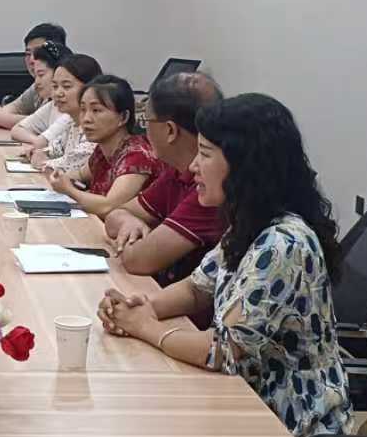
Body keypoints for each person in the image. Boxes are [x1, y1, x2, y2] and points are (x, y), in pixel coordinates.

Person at [98, 93, 361, 437]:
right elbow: (196, 289)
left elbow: (223, 351)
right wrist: (138, 306)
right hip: (245, 410)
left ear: (244, 164)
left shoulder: (282, 244)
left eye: (205, 154)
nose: (193, 167)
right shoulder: (249, 224)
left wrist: (147, 327)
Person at [104, 70, 225, 281]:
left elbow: (139, 260)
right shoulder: (176, 171)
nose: (144, 130)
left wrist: (128, 240)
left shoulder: (210, 188)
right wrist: (128, 223)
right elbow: (115, 215)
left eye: (146, 121)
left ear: (170, 130)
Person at [45, 75, 161, 219]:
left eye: (96, 110)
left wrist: (69, 190)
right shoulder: (103, 149)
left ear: (123, 117)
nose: (86, 119)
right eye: (83, 109)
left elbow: (109, 206)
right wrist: (61, 178)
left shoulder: (137, 155)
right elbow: (80, 175)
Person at [14, 53, 100, 174]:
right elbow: (57, 148)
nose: (58, 93)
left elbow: (74, 164)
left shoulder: (96, 126)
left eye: (66, 86)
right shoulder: (72, 121)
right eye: (55, 86)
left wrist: (44, 161)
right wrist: (40, 152)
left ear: (89, 88)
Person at [0, 23, 70, 130]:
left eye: (39, 53)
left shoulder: (65, 93)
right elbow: (15, 107)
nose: (32, 60)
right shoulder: (38, 85)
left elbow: (41, 123)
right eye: (28, 54)